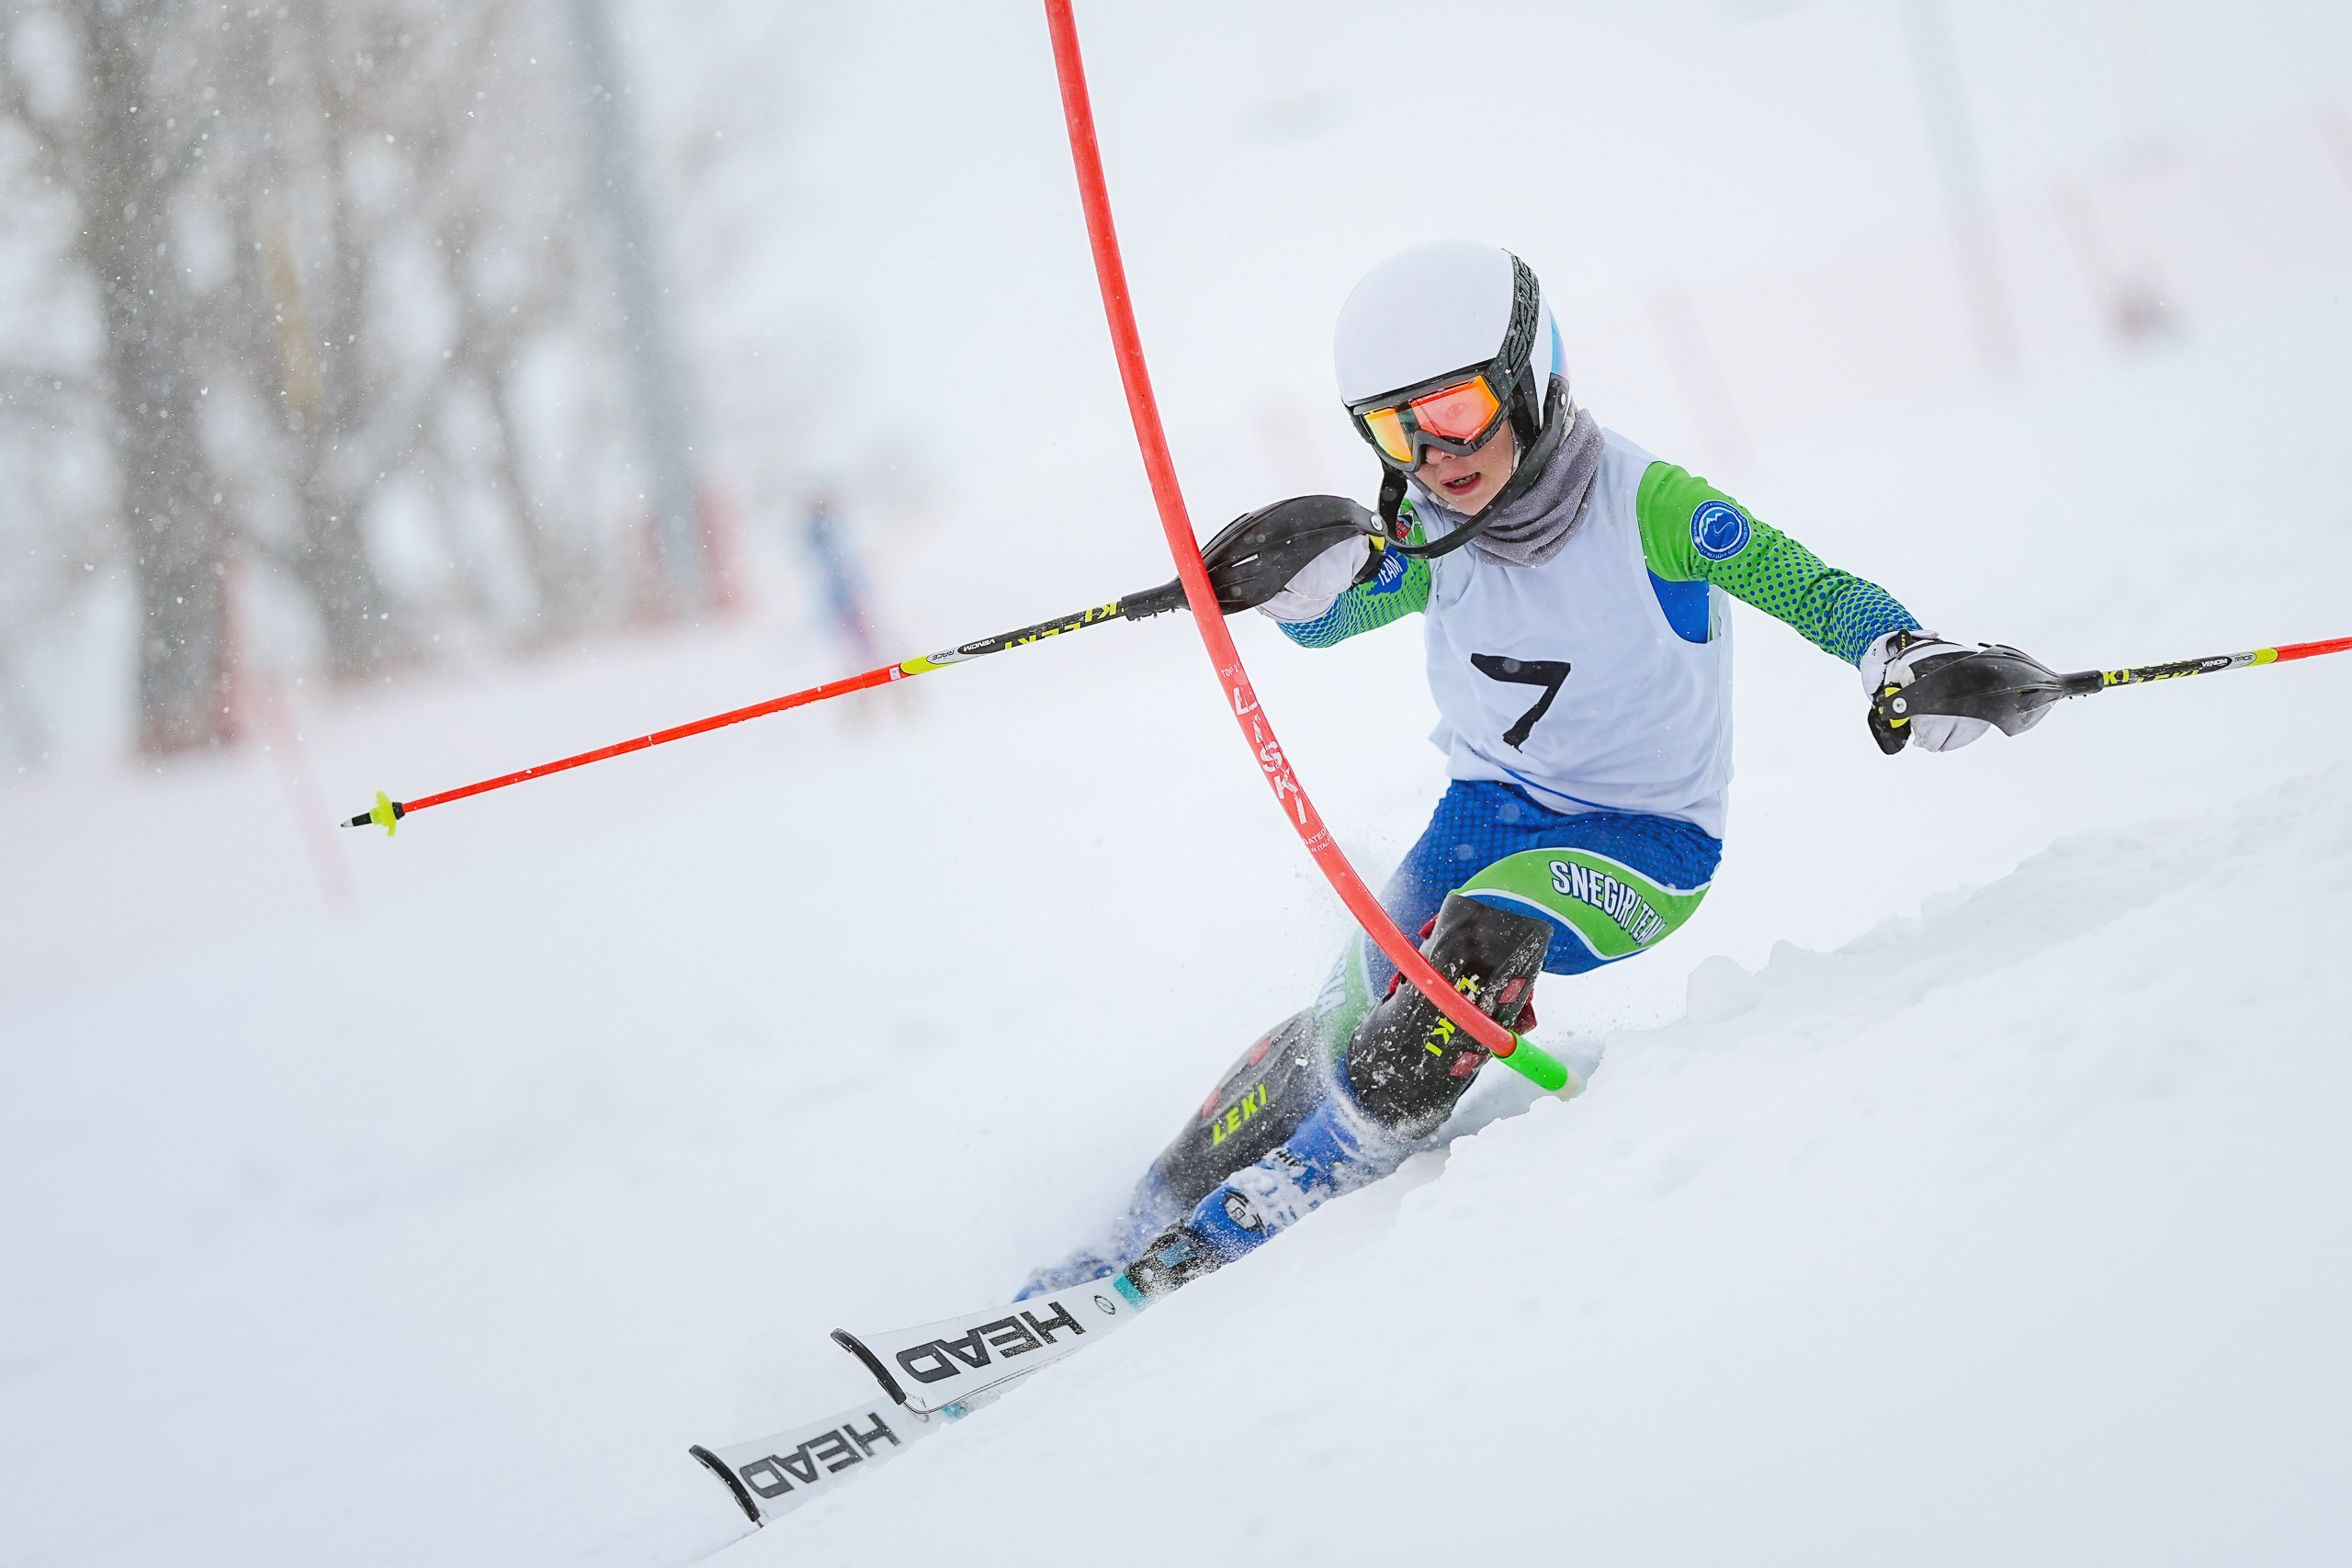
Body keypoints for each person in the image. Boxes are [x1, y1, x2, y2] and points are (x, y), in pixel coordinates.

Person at [1018, 240, 2011, 1303]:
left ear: (1527, 380)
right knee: (1336, 1024)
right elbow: (1340, 614)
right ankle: (1134, 1229)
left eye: (1451, 412)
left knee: (1478, 945)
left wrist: (1905, 655)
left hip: (1643, 842)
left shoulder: (1650, 505)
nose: (1433, 455)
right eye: (1395, 429)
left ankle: (1281, 1203)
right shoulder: (1426, 523)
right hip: (1481, 813)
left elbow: (1808, 587)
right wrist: (1288, 587)